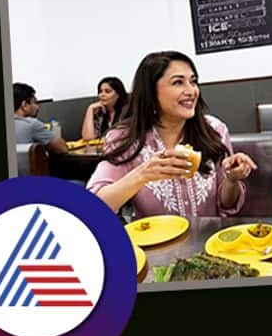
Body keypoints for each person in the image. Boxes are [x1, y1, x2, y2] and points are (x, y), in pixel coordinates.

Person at [86, 51, 257, 219]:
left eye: (193, 81)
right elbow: (94, 206)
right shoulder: (123, 138)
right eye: (178, 83)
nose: (191, 91)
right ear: (151, 91)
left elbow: (226, 204)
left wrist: (232, 179)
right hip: (153, 245)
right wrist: (142, 175)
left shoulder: (214, 130)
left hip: (210, 242)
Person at [13, 82, 67, 155]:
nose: (37, 107)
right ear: (24, 105)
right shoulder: (31, 124)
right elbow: (62, 148)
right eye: (35, 103)